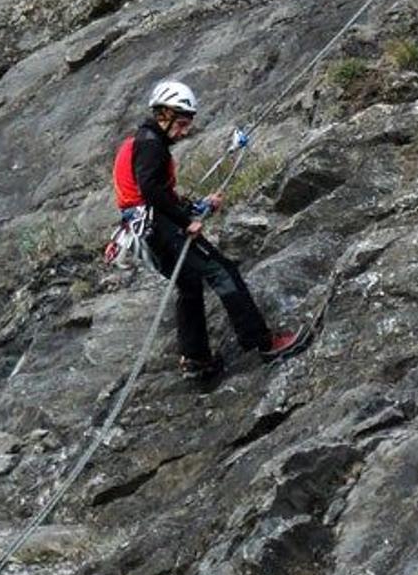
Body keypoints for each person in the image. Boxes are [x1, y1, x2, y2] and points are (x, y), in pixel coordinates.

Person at [112, 78, 307, 383]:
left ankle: (196, 359)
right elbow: (151, 190)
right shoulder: (151, 146)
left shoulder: (143, 142)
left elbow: (153, 193)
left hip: (144, 231)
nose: (185, 130)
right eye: (182, 123)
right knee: (222, 271)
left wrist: (197, 206)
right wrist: (186, 221)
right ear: (164, 114)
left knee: (189, 284)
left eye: (187, 124)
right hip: (158, 227)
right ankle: (264, 343)